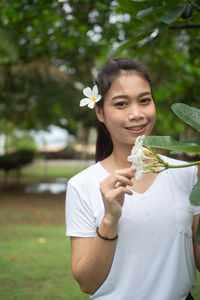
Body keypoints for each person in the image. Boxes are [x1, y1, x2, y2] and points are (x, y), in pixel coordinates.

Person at [65, 57, 200, 300]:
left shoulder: (189, 174)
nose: (136, 114)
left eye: (145, 101)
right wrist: (110, 219)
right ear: (100, 112)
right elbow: (87, 283)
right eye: (121, 104)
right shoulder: (82, 185)